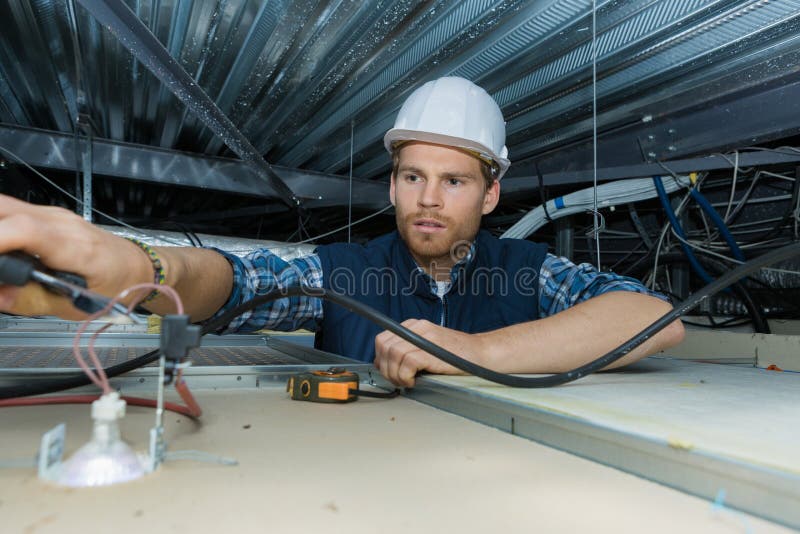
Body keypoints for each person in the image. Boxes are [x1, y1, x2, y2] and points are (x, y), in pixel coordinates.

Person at [0, 77, 684, 387]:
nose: (429, 199)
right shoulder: (345, 270)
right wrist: (140, 267)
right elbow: (242, 281)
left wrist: (473, 350)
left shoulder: (529, 271)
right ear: (391, 184)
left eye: (456, 181)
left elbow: (655, 317)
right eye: (412, 176)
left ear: (491, 192)